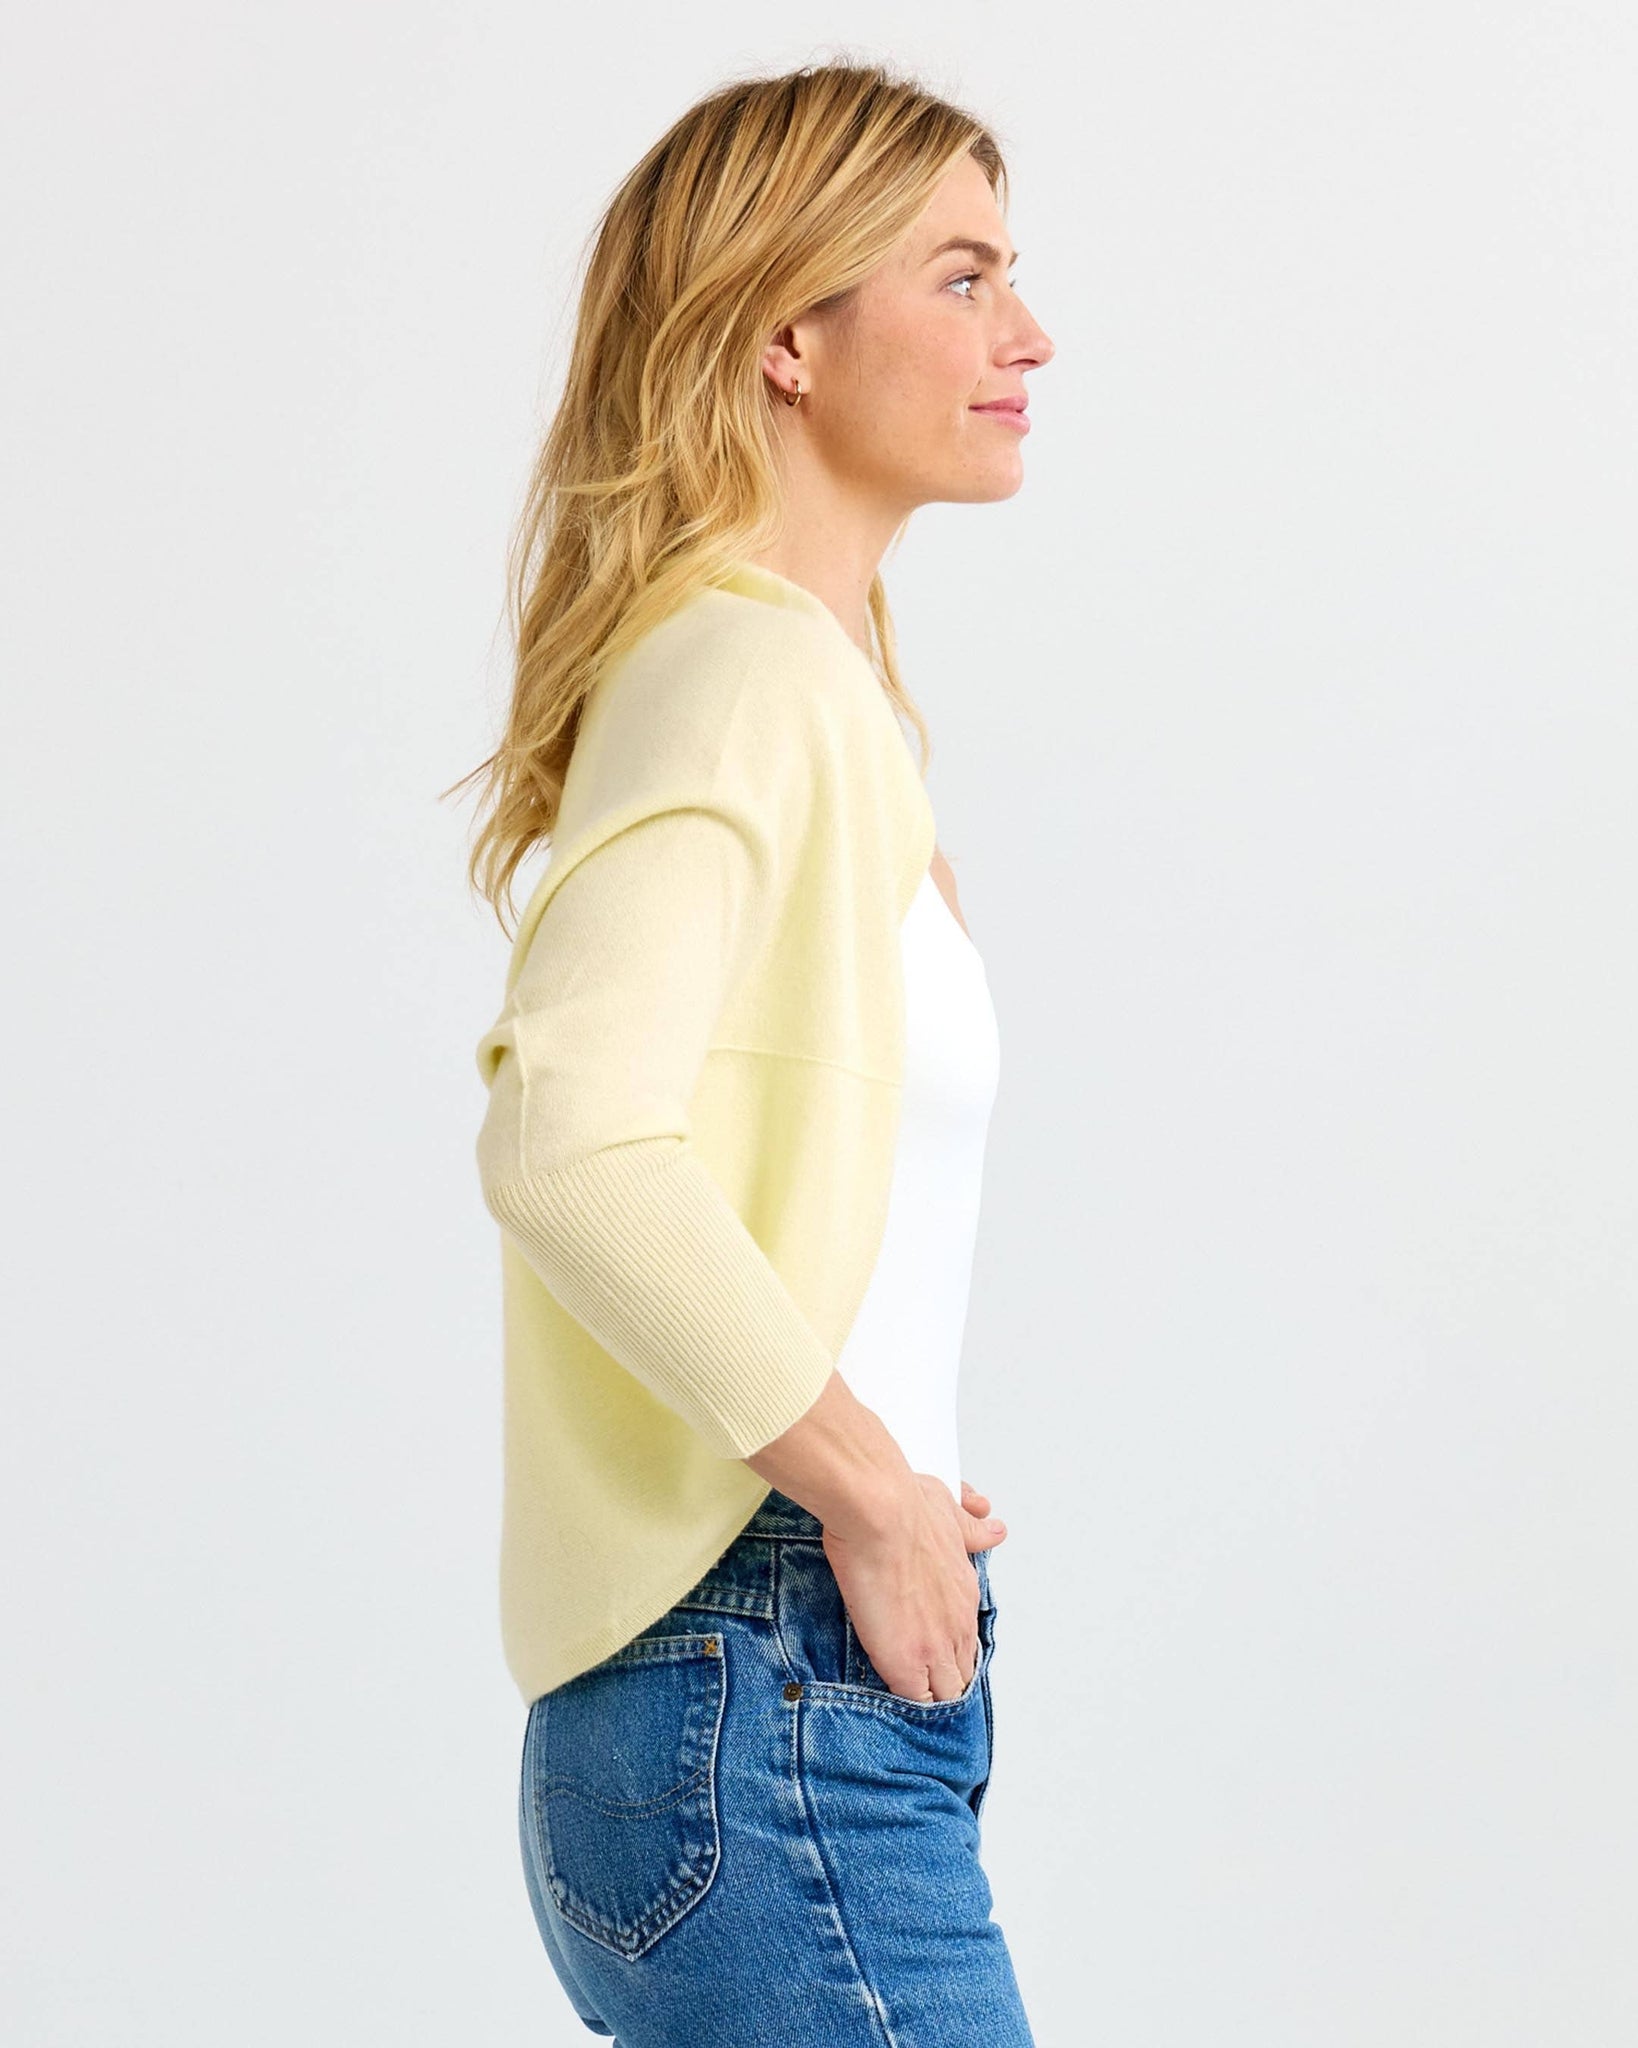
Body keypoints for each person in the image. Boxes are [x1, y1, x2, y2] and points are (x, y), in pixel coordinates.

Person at [450, 59, 1055, 2048]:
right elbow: (568, 1141)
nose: (1027, 335)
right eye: (962, 278)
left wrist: (889, 1489)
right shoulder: (742, 674)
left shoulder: (806, 687)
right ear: (785, 334)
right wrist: (866, 1488)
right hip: (765, 1685)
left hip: (782, 1689)